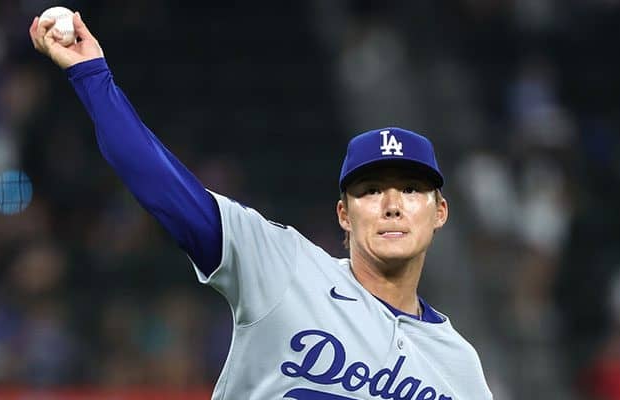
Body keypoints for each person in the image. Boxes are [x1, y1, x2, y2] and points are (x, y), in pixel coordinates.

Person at [30, 12, 492, 400]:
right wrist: (92, 76)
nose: (391, 204)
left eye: (411, 189)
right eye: (371, 190)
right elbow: (161, 185)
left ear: (440, 212)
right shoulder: (285, 268)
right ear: (343, 215)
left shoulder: (460, 367)